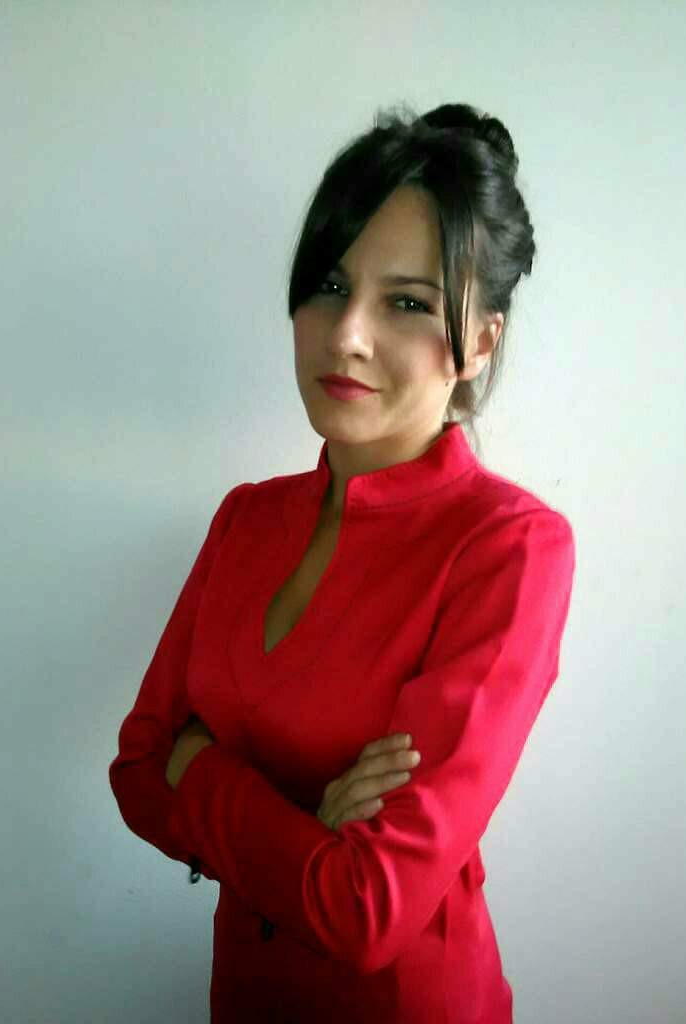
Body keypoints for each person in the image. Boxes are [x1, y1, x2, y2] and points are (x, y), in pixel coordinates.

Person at [109, 101, 576, 1023]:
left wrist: (201, 770)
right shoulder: (246, 519)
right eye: (330, 283)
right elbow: (134, 770)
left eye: (408, 302)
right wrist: (305, 833)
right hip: (244, 995)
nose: (346, 333)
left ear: (480, 341)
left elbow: (368, 910)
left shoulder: (509, 548)